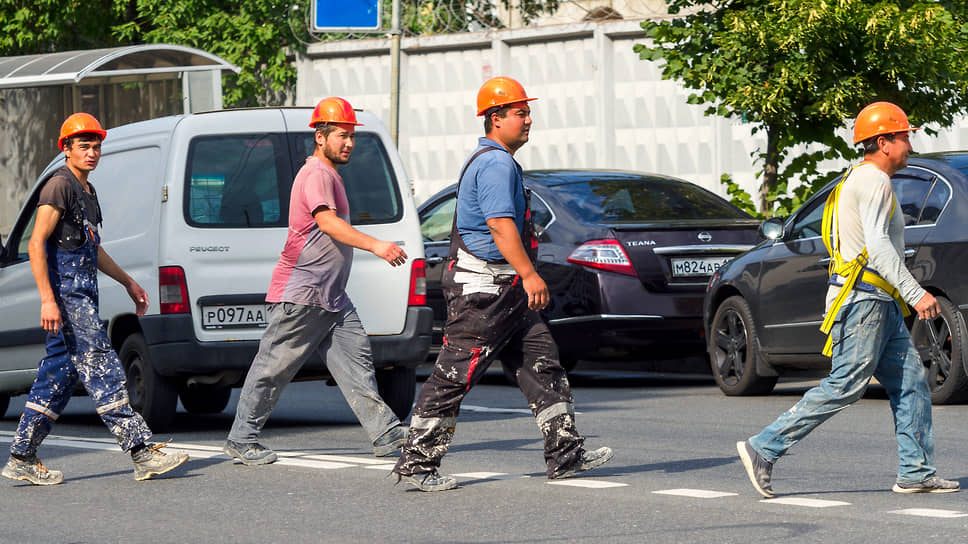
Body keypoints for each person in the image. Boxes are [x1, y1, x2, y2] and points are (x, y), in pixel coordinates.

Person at [391, 77, 613, 492]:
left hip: (505, 292)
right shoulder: (495, 163)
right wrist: (530, 274)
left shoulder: (497, 160)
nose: (528, 120)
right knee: (455, 374)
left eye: (528, 112)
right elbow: (498, 224)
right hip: (485, 292)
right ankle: (418, 462)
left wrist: (522, 277)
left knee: (542, 365)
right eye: (520, 113)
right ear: (496, 119)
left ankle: (565, 454)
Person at [737, 101, 959, 497]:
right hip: (864, 302)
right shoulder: (874, 181)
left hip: (876, 301)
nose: (910, 144)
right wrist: (916, 292)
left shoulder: (854, 178)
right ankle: (764, 447)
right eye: (905, 136)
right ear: (883, 141)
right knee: (846, 385)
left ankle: (916, 472)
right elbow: (878, 249)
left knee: (911, 384)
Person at [2, 113, 189, 486]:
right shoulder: (59, 186)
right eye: (83, 146)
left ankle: (22, 455)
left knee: (58, 375)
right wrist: (47, 300)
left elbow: (94, 249)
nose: (92, 152)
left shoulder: (87, 191)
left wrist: (128, 283)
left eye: (96, 145)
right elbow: (37, 243)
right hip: (68, 298)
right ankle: (140, 451)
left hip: (83, 294)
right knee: (103, 366)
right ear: (66, 149)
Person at [223, 97, 410, 465]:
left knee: (356, 365)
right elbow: (327, 222)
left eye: (352, 135)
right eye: (342, 135)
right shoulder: (317, 175)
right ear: (320, 137)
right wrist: (377, 245)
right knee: (273, 367)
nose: (349, 143)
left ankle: (386, 433)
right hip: (303, 293)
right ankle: (242, 439)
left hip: (332, 297)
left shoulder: (329, 174)